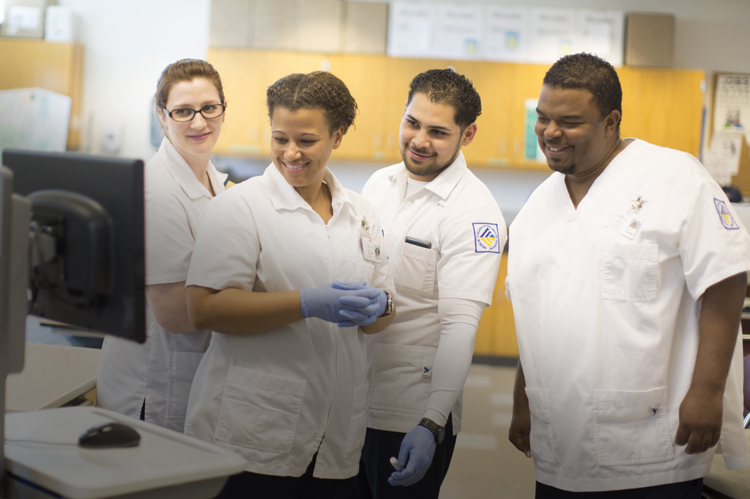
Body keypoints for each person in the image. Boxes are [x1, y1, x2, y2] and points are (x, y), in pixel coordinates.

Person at [506, 52, 750, 497]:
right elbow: (535, 310)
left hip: (654, 441)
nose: (550, 133)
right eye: (543, 118)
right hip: (558, 439)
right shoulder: (537, 208)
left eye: (570, 121)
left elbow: (726, 280)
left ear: (611, 121)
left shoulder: (674, 177)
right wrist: (523, 398)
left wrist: (707, 392)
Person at [183, 71, 395, 499]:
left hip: (336, 435)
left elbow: (381, 317)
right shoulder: (239, 208)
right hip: (254, 431)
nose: (291, 152)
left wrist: (381, 307)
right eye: (280, 138)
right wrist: (307, 303)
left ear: (338, 136)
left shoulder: (362, 212)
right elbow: (205, 309)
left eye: (307, 140)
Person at [358, 68, 506, 498]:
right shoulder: (379, 184)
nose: (419, 140)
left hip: (410, 412)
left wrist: (431, 422)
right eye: (413, 123)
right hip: (355, 398)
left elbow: (460, 327)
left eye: (438, 131)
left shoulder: (473, 212)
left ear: (468, 133)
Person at [97, 59, 229, 432]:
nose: (200, 122)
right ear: (162, 116)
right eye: (183, 111)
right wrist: (262, 300)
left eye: (209, 108)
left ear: (223, 109)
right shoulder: (157, 190)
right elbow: (173, 313)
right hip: (151, 389)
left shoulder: (213, 181)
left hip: (186, 375)